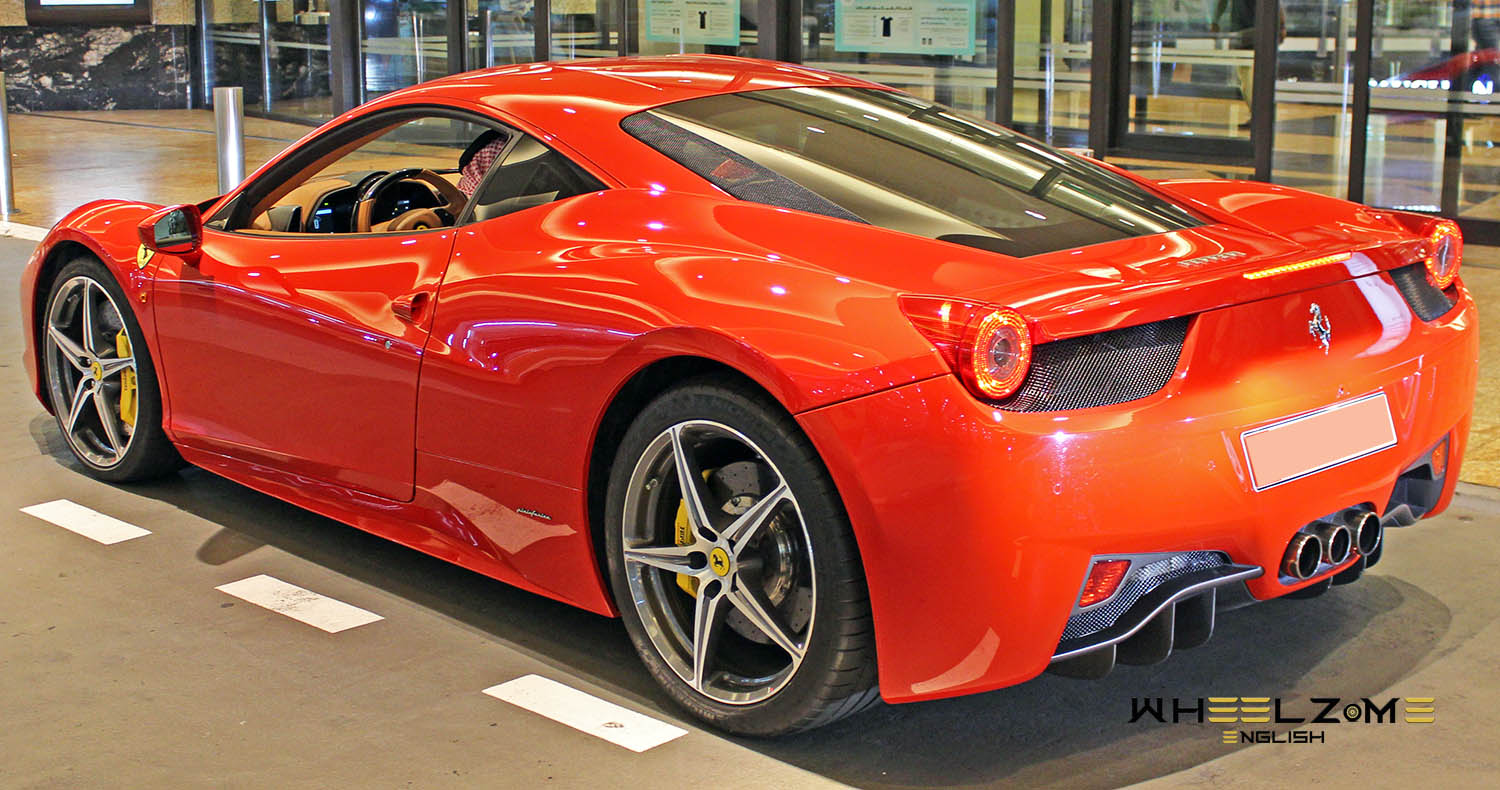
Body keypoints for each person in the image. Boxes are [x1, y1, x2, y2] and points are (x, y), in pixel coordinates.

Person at [1212, 0, 1284, 130]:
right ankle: (1258, 115)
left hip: (1251, 31)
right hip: (1246, 31)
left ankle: (1259, 116)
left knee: (1248, 77)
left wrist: (1216, 21)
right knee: (1246, 77)